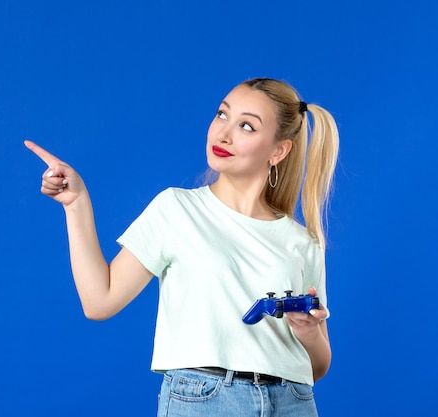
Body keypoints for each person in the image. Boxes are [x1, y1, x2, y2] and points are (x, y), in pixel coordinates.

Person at [24, 77, 339, 417]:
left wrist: (308, 333)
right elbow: (99, 300)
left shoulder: (302, 242)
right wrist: (76, 204)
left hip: (293, 402)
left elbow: (318, 367)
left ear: (278, 150)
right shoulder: (176, 209)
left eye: (246, 126)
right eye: (222, 115)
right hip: (205, 401)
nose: (223, 133)